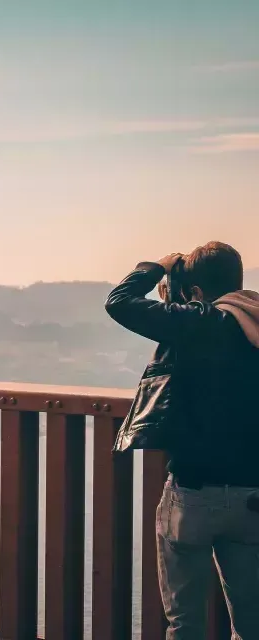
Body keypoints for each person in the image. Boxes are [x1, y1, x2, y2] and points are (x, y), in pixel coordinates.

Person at [105, 241, 259, 639]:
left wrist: (158, 265)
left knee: (185, 623)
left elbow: (119, 302)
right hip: (252, 497)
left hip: (192, 493)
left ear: (194, 292)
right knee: (251, 622)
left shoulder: (197, 321)